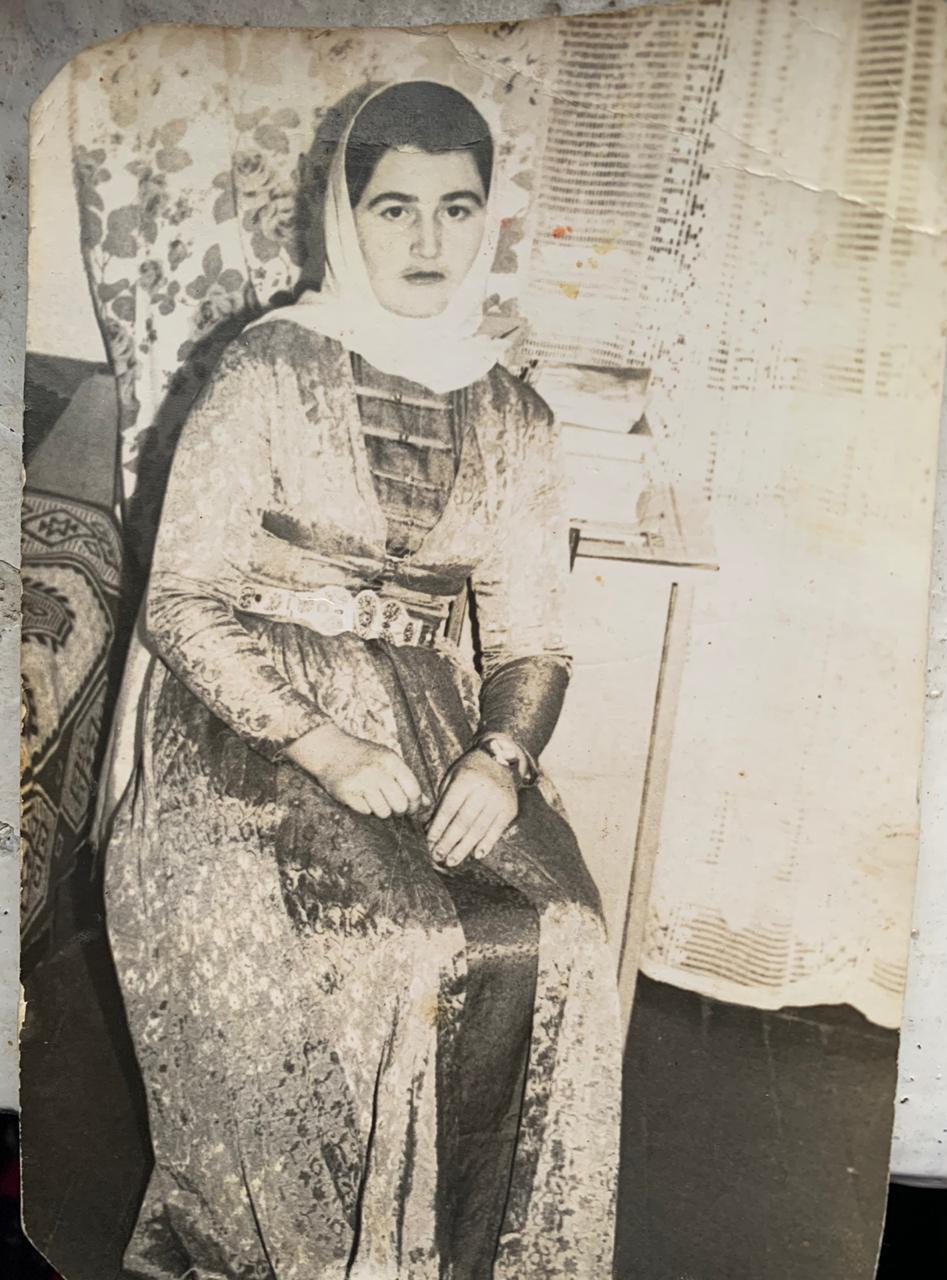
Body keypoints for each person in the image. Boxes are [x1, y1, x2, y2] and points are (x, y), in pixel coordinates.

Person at [104, 80, 620, 1280]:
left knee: (565, 931)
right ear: (348, 215)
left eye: (456, 207)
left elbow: (535, 632)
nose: (429, 239)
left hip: (429, 711)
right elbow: (181, 600)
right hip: (242, 718)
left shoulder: (519, 414)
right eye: (396, 208)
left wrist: (502, 755)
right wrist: (321, 743)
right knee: (399, 941)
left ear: (489, 218)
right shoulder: (266, 368)